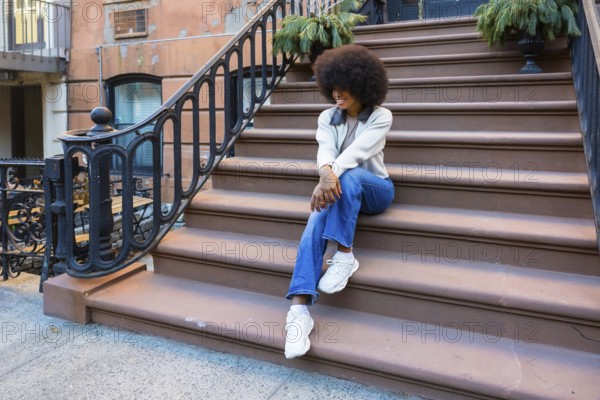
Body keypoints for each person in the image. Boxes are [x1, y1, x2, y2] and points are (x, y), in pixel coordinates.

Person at [284, 44, 394, 359]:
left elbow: (358, 153)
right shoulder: (327, 118)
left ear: (361, 84)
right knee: (315, 217)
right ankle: (299, 312)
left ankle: (344, 254)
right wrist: (326, 173)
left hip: (376, 189)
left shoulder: (381, 116)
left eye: (342, 87)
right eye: (332, 87)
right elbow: (325, 152)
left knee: (349, 175)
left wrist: (329, 175)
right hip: (339, 186)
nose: (336, 93)